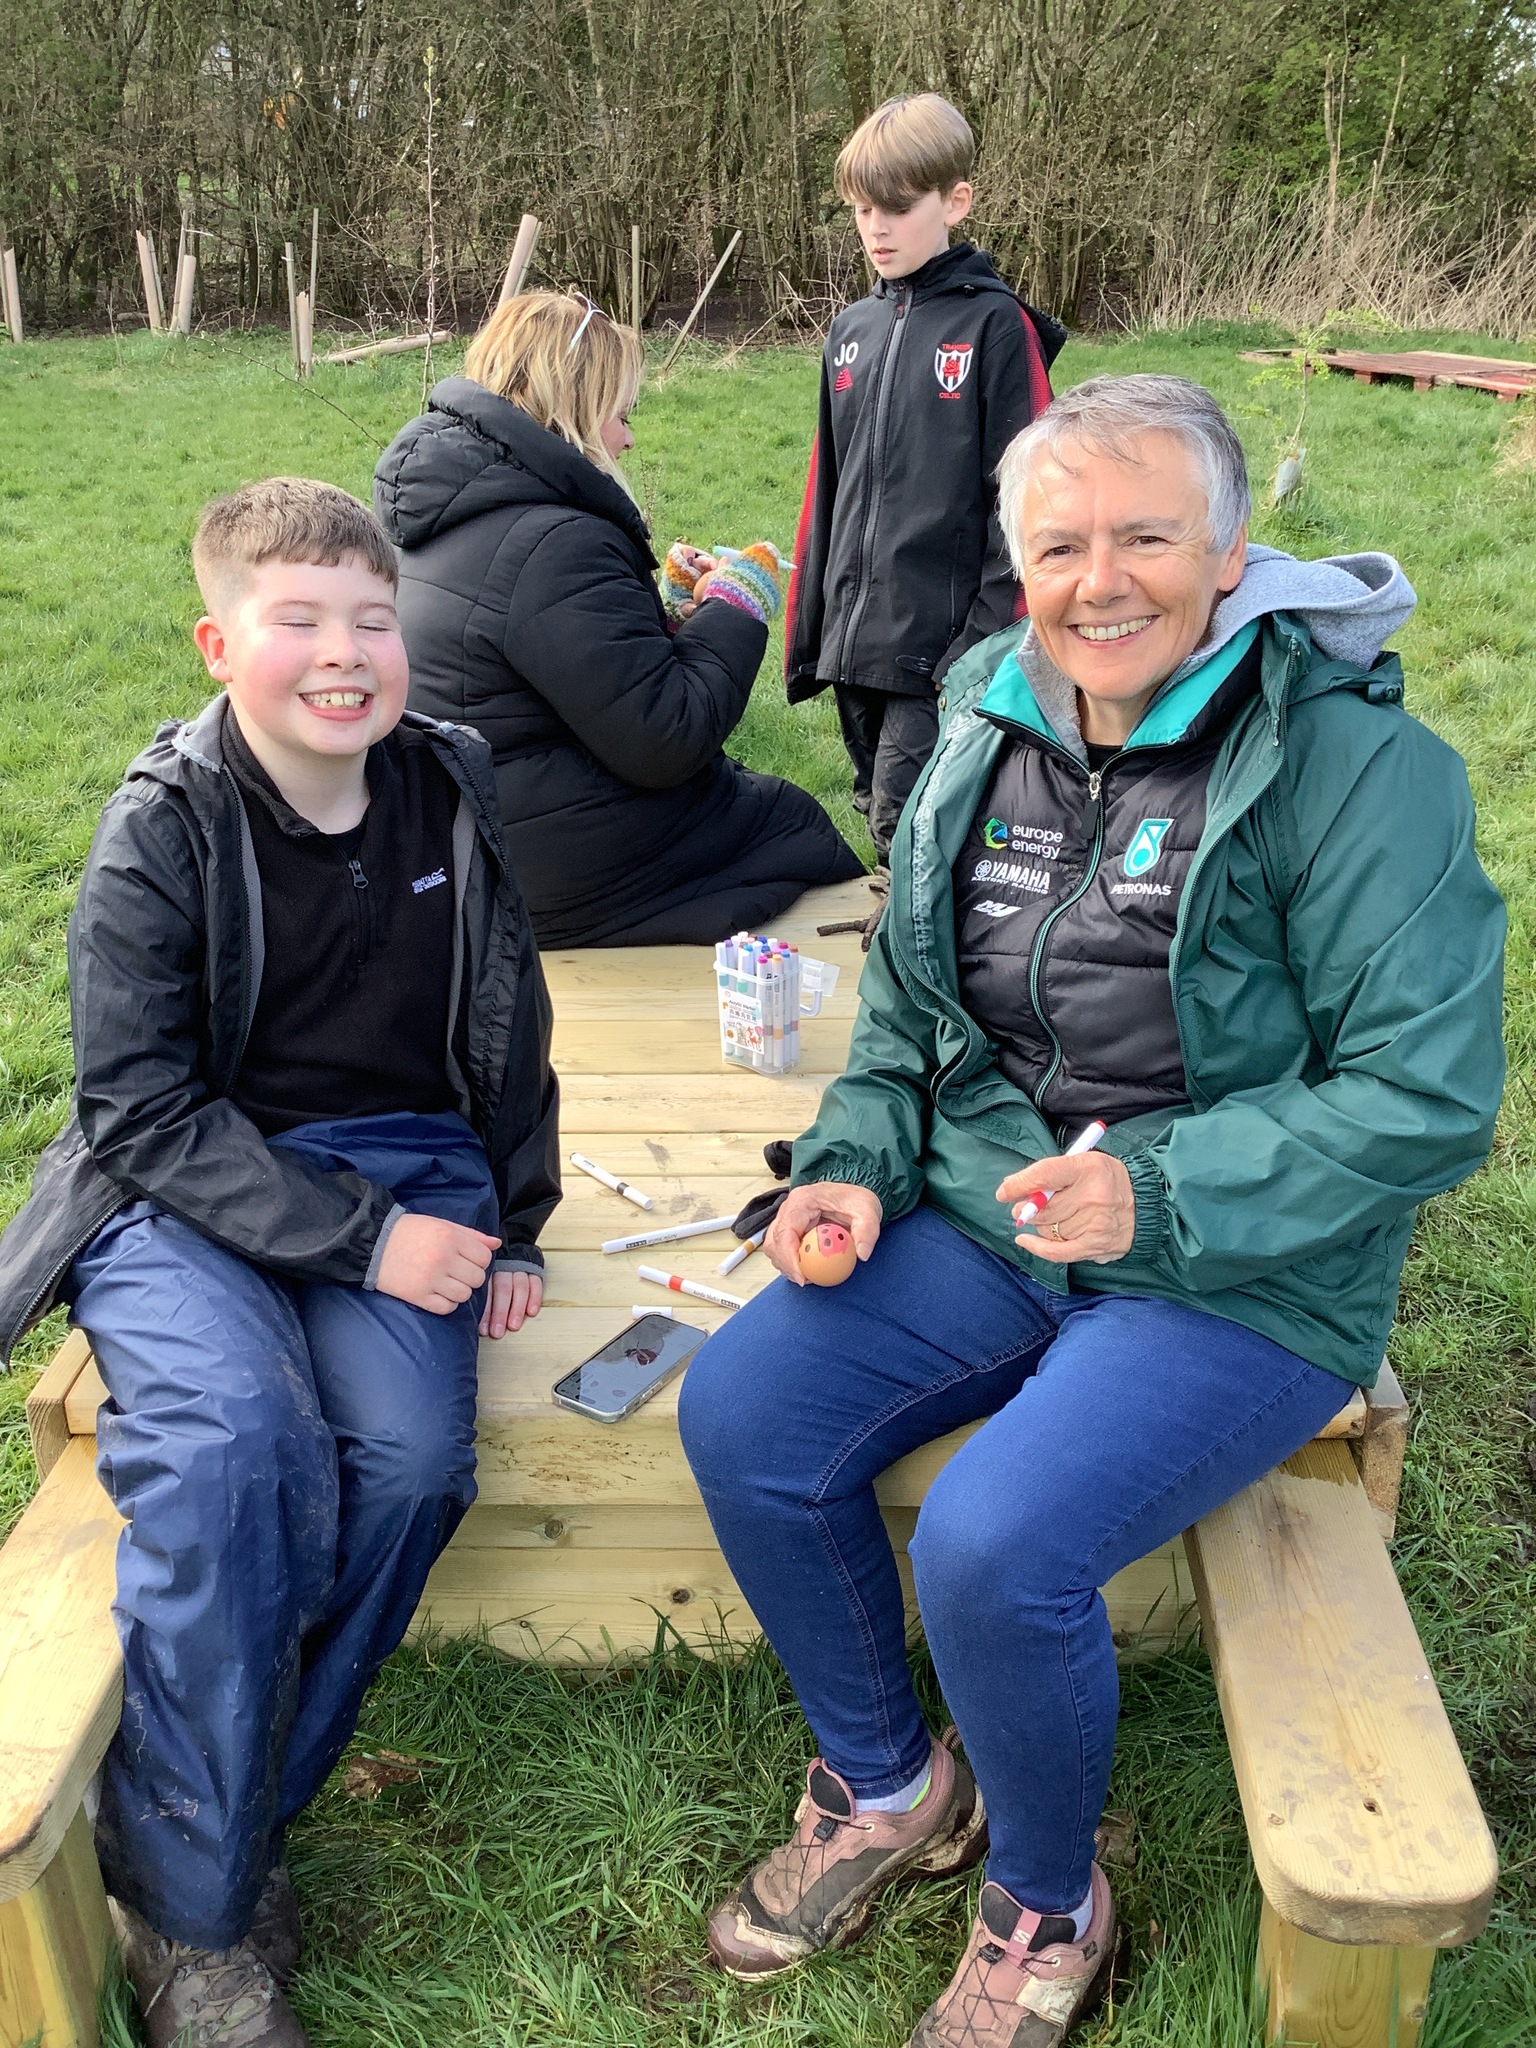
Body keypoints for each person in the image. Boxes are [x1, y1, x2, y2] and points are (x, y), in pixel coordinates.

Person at [679, 375, 1505, 2047]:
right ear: (1019, 565)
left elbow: (1425, 1095)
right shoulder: (985, 715)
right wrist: (853, 1163)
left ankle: (1048, 1897)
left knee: (995, 1543)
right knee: (746, 1408)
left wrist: (1161, 1189)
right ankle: (892, 1785)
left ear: (1230, 552)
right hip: (1004, 1208)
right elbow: (909, 1008)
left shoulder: (1361, 769)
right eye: (1061, 545)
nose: (1101, 581)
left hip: (1247, 1270)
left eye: (1148, 537)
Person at [0, 479, 562, 2048]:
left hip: (404, 1158)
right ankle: (197, 1929)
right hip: (185, 1178)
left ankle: (220, 1834)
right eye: (297, 621)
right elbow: (135, 1110)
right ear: (216, 644)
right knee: (239, 1449)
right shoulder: (161, 829)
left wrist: (514, 1216)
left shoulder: (446, 782)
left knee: (412, 1468)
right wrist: (371, 1244)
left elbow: (509, 1010)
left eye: (373, 620)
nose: (343, 654)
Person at [374, 291, 864, 948]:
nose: (628, 438)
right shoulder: (557, 542)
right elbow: (669, 736)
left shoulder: (450, 503)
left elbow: (562, 664)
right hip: (550, 870)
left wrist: (665, 609)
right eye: (621, 414)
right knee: (789, 824)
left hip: (466, 837)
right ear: (575, 406)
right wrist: (736, 605)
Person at [784, 92, 1064, 907]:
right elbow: (825, 491)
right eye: (862, 210)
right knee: (879, 809)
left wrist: (979, 646)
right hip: (854, 641)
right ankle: (910, 940)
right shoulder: (850, 332)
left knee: (915, 823)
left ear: (955, 201)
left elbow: (1032, 505)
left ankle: (919, 962)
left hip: (941, 647)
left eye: (898, 208)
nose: (877, 228)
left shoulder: (995, 328)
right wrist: (812, 629)